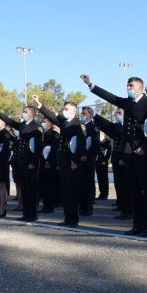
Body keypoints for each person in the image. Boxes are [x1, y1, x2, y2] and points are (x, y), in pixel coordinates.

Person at [81, 74, 147, 237]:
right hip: (128, 152)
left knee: (146, 191)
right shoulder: (127, 102)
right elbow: (110, 97)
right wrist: (91, 85)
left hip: (144, 153)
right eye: (127, 85)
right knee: (134, 190)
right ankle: (136, 224)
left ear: (140, 87)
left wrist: (145, 147)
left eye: (131, 86)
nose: (128, 88)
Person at [35, 95, 87, 227]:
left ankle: (74, 219)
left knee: (72, 192)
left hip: (72, 163)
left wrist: (75, 161)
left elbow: (80, 144)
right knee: (64, 191)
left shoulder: (79, 125)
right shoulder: (64, 123)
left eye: (66, 109)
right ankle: (67, 218)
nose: (64, 110)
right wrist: (39, 104)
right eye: (64, 109)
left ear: (74, 111)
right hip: (62, 161)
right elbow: (52, 117)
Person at [0, 103, 43, 222]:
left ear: (32, 114)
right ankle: (26, 214)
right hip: (21, 162)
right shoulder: (22, 125)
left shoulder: (37, 127)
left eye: (26, 112)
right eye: (24, 112)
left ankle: (32, 215)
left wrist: (34, 162)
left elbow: (38, 148)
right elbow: (10, 122)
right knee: (25, 190)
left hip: (30, 163)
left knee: (31, 190)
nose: (24, 114)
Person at [94, 109, 132, 220]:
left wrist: (125, 159)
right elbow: (108, 127)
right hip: (116, 160)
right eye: (117, 113)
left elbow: (129, 144)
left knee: (126, 186)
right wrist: (96, 117)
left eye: (120, 113)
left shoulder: (128, 126)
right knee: (119, 185)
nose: (117, 115)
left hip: (124, 160)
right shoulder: (118, 126)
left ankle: (128, 211)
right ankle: (122, 207)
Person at [79, 106, 99, 216]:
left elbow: (95, 144)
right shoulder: (81, 126)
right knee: (81, 184)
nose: (83, 115)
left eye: (84, 113)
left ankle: (88, 208)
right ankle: (82, 207)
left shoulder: (93, 126)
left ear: (90, 114)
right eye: (82, 113)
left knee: (88, 183)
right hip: (80, 159)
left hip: (89, 159)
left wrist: (87, 155)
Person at [95, 130, 112, 201]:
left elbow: (109, 150)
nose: (101, 131)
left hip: (103, 160)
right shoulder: (97, 137)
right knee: (99, 178)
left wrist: (106, 160)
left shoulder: (107, 139)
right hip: (97, 160)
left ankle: (105, 194)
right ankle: (101, 193)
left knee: (104, 178)